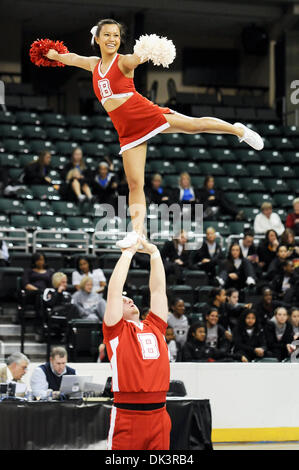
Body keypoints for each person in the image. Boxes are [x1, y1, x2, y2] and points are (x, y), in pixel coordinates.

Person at [45, 18, 264, 249]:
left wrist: (152, 49)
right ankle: (138, 234)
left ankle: (237, 129)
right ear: (97, 39)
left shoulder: (124, 62)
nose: (112, 39)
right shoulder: (93, 64)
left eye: (116, 35)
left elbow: (140, 57)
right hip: (127, 131)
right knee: (135, 184)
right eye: (107, 35)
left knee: (194, 125)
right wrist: (54, 55)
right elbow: (71, 58)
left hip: (144, 114)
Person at [101, 236, 171, 450]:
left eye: (130, 298)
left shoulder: (155, 326)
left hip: (160, 414)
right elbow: (113, 292)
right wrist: (128, 253)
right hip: (128, 416)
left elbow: (158, 290)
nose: (129, 300)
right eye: (124, 301)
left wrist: (154, 254)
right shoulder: (116, 331)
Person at [21, 252, 54, 338]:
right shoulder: (28, 271)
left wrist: (46, 292)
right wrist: (38, 290)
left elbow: (51, 285)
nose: (40, 262)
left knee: (43, 297)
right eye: (38, 260)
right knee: (38, 296)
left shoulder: (50, 272)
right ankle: (40, 324)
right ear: (34, 261)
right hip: (31, 294)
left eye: (42, 260)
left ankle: (43, 324)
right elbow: (26, 284)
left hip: (45, 294)